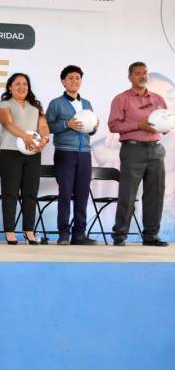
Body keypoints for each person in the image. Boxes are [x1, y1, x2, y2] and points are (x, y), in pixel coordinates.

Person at [108, 61, 169, 246]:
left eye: (145, 73)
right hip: (133, 150)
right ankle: (120, 235)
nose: (142, 76)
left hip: (156, 150)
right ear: (130, 77)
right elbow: (113, 125)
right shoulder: (121, 99)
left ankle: (151, 236)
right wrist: (138, 125)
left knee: (155, 194)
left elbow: (167, 122)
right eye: (138, 73)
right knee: (127, 194)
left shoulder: (158, 99)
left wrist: (165, 126)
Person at [45, 65, 99, 246]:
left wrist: (94, 127)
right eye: (70, 78)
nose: (74, 81)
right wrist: (66, 124)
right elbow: (47, 127)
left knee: (82, 194)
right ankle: (63, 234)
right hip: (65, 153)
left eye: (77, 78)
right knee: (65, 193)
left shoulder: (87, 104)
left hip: (85, 154)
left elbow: (89, 131)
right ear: (63, 82)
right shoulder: (56, 103)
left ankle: (79, 234)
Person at [0, 73, 49, 245]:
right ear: (10, 87)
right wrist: (25, 136)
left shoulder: (36, 105)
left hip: (33, 154)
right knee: (10, 193)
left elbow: (43, 126)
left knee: (30, 194)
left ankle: (29, 231)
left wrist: (44, 139)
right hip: (10, 153)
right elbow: (7, 123)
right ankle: (10, 231)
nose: (22, 87)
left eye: (25, 84)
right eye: (17, 84)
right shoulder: (5, 104)